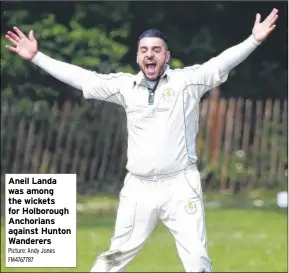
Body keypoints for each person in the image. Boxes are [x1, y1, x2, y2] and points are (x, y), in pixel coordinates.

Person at [5, 8, 278, 272]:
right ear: (138, 57)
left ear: (166, 56)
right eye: (145, 50)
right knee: (113, 259)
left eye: (156, 50)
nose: (150, 55)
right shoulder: (126, 87)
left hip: (180, 185)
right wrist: (37, 57)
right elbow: (83, 78)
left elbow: (220, 63)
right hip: (138, 188)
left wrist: (253, 40)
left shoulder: (187, 83)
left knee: (197, 262)